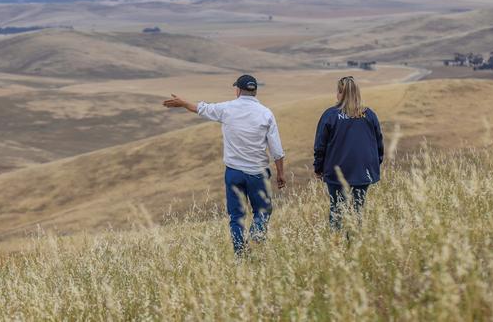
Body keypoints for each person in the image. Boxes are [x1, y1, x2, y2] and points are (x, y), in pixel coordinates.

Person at [163, 74, 286, 255]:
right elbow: (276, 149)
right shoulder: (266, 113)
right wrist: (281, 174)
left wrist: (183, 103)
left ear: (238, 90)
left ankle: (240, 254)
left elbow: (201, 108)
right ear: (255, 91)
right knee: (262, 211)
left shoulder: (227, 109)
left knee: (236, 216)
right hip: (258, 173)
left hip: (234, 173)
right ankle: (256, 239)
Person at [313, 76, 384, 230]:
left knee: (337, 211)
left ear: (340, 93)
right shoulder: (369, 115)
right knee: (357, 211)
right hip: (363, 172)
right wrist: (373, 165)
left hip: (337, 173)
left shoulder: (330, 115)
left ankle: (337, 248)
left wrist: (318, 168)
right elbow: (379, 144)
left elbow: (320, 146)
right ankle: (355, 246)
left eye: (337, 92)